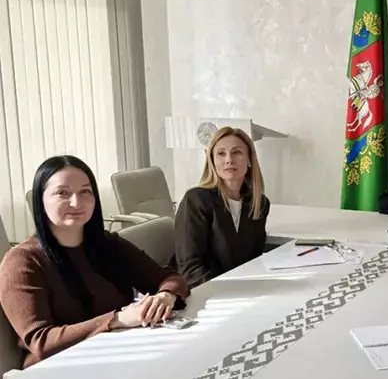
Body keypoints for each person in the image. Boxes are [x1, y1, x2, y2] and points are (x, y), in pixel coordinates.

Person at [0, 156, 189, 368]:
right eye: (62, 193)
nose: (77, 203)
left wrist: (166, 296)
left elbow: (169, 277)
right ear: (40, 200)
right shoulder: (22, 261)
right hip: (61, 368)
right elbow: (41, 342)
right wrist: (117, 319)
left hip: (122, 355)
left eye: (85, 191)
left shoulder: (107, 244)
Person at [174, 126, 270, 288]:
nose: (229, 160)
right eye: (221, 153)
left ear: (249, 160)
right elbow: (190, 270)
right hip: (202, 292)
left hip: (242, 289)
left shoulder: (259, 203)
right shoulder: (196, 200)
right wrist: (231, 292)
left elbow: (254, 260)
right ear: (212, 160)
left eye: (237, 152)